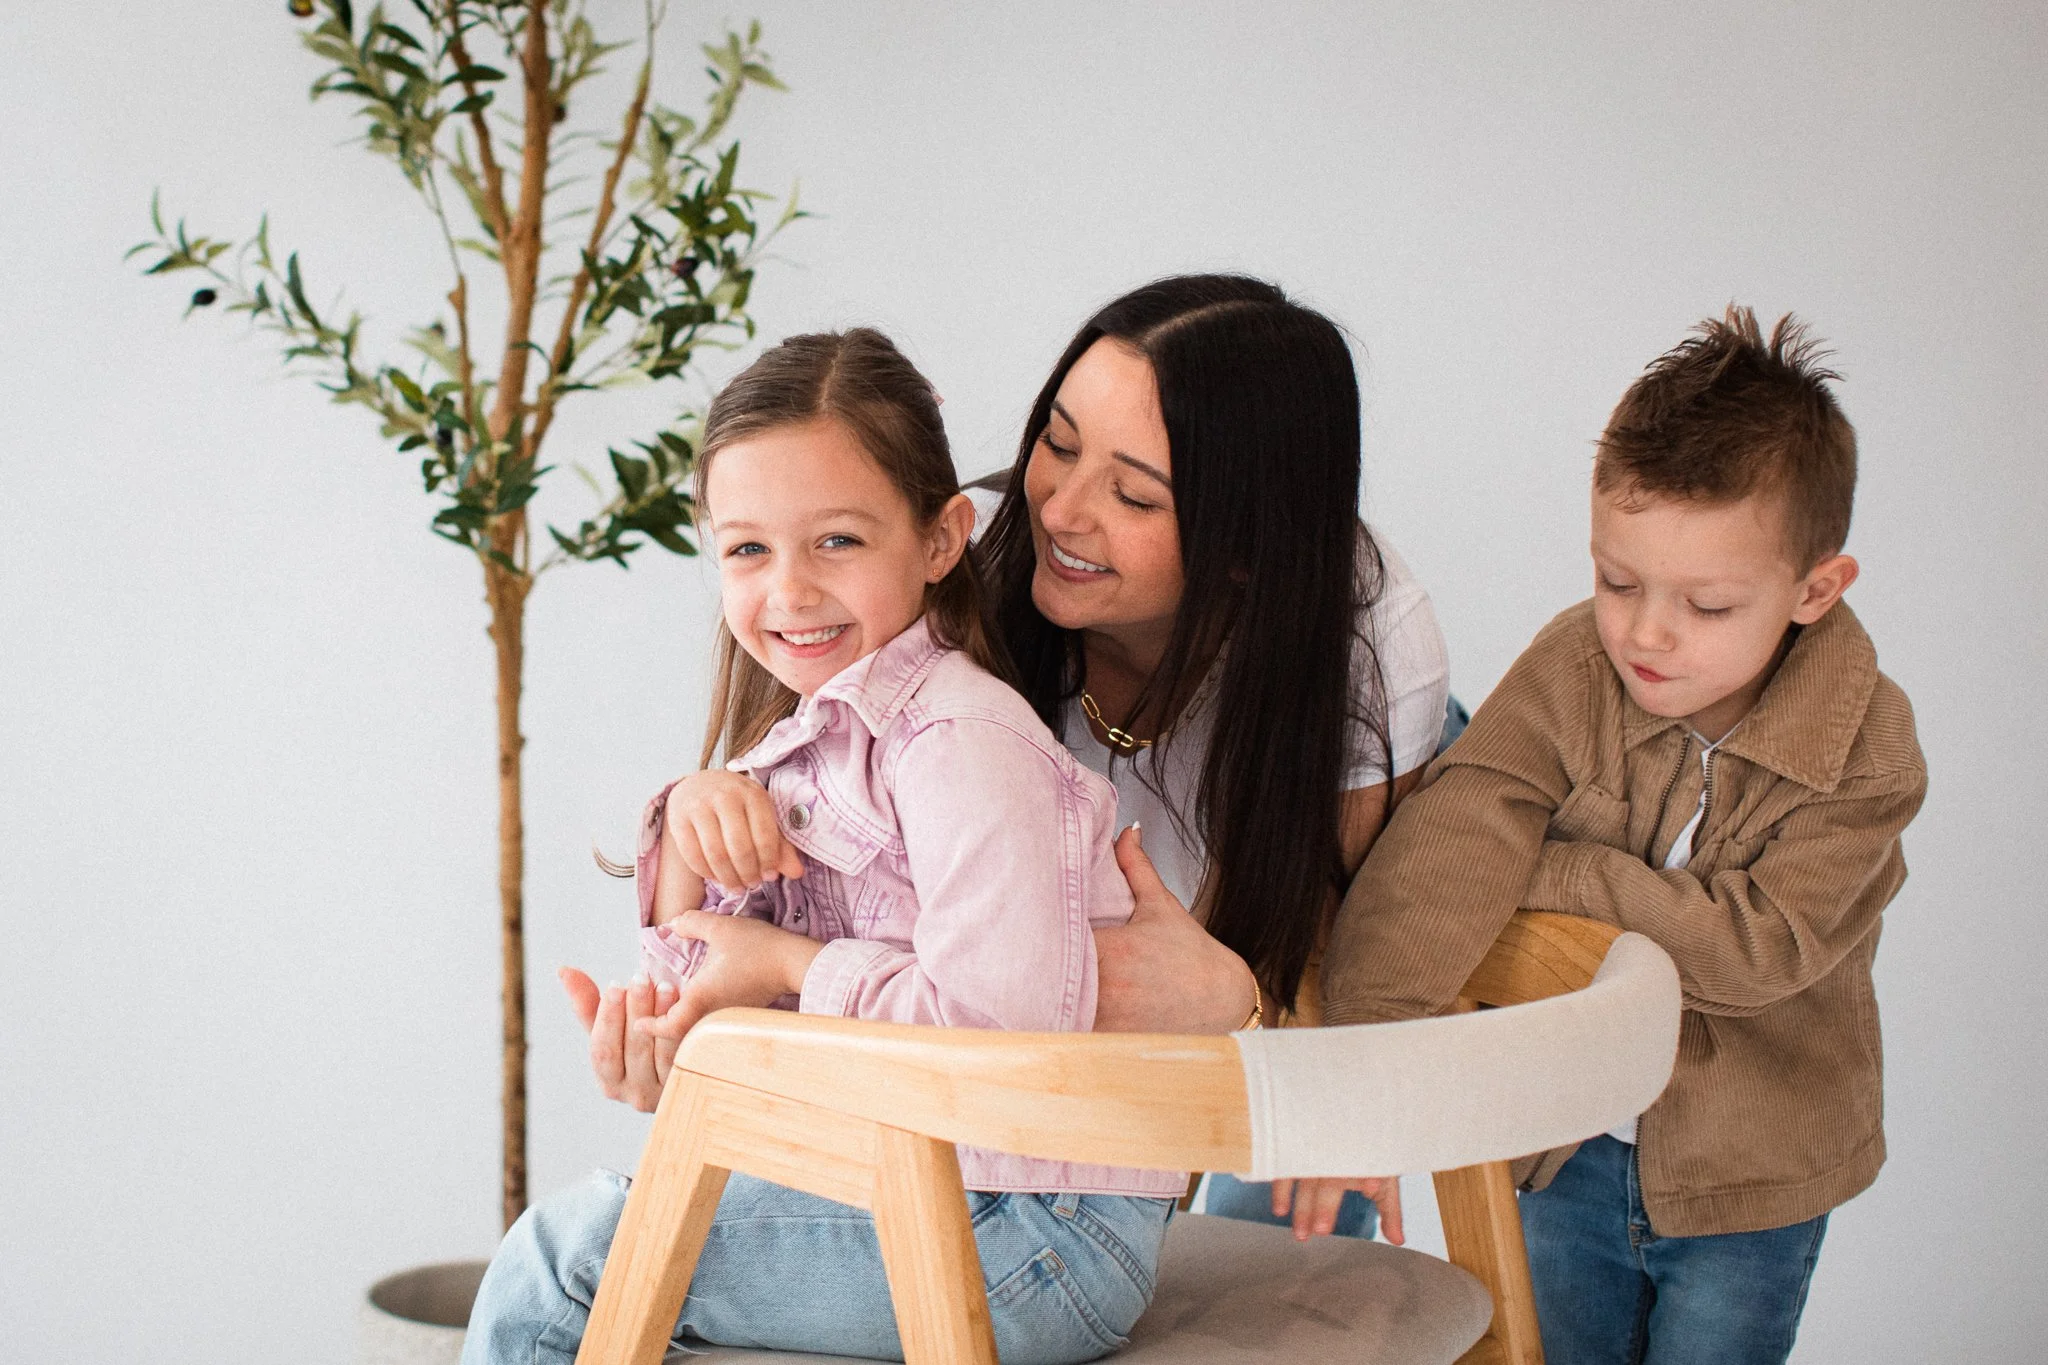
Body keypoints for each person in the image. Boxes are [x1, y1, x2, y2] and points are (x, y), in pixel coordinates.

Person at [571, 274, 1453, 1244]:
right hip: (997, 1078)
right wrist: (691, 935)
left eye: (1131, 493)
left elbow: (1301, 952)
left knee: (1293, 1184)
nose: (1059, 513)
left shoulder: (1362, 642)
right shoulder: (912, 582)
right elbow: (825, 935)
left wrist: (1240, 1005)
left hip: (1263, 924)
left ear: (1245, 544)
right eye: (1057, 444)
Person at [464, 329, 1187, 1365]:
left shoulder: (960, 742)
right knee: (624, 1263)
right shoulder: (805, 745)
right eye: (748, 550)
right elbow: (721, 986)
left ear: (940, 539)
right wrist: (686, 874)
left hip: (1033, 1224)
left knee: (563, 1263)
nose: (790, 591)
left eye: (837, 541)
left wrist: (789, 967)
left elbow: (992, 1043)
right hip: (915, 1187)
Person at [1320, 307, 1928, 1365]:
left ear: (1813, 592)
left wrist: (1561, 875)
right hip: (1562, 1148)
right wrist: (1361, 1083)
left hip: (1752, 1180)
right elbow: (1446, 850)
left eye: (1703, 604)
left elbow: (1756, 949)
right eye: (1616, 581)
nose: (1645, 632)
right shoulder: (1572, 668)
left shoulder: (1867, 747)